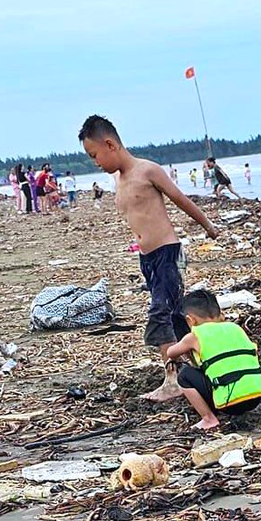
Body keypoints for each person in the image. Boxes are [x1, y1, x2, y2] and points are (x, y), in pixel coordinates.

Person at [78, 114, 220, 402]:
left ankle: (172, 379)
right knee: (175, 314)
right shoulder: (120, 179)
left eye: (95, 155)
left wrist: (207, 225)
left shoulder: (147, 171)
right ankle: (197, 366)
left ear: (110, 144)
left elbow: (180, 199)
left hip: (170, 252)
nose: (95, 162)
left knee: (160, 312)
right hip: (149, 259)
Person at [164, 289, 261, 430]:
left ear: (191, 320)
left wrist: (177, 355)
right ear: (221, 314)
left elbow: (170, 352)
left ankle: (208, 419)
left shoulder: (195, 336)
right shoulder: (236, 328)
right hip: (256, 397)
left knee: (185, 375)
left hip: (230, 404)